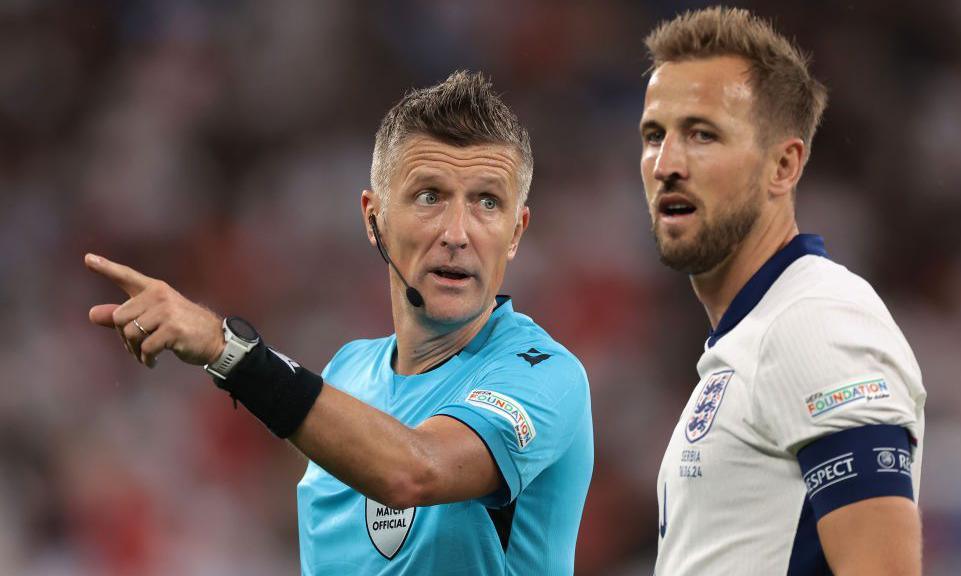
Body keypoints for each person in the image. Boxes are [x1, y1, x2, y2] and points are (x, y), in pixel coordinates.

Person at [85, 71, 593, 575]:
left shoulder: (546, 376)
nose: (457, 233)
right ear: (374, 219)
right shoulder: (348, 373)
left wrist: (229, 350)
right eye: (429, 196)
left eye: (487, 202)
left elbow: (415, 469)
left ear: (515, 232)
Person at [638, 8, 926, 575]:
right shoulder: (754, 336)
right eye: (654, 135)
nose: (666, 164)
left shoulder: (815, 321)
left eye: (702, 134)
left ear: (784, 165)